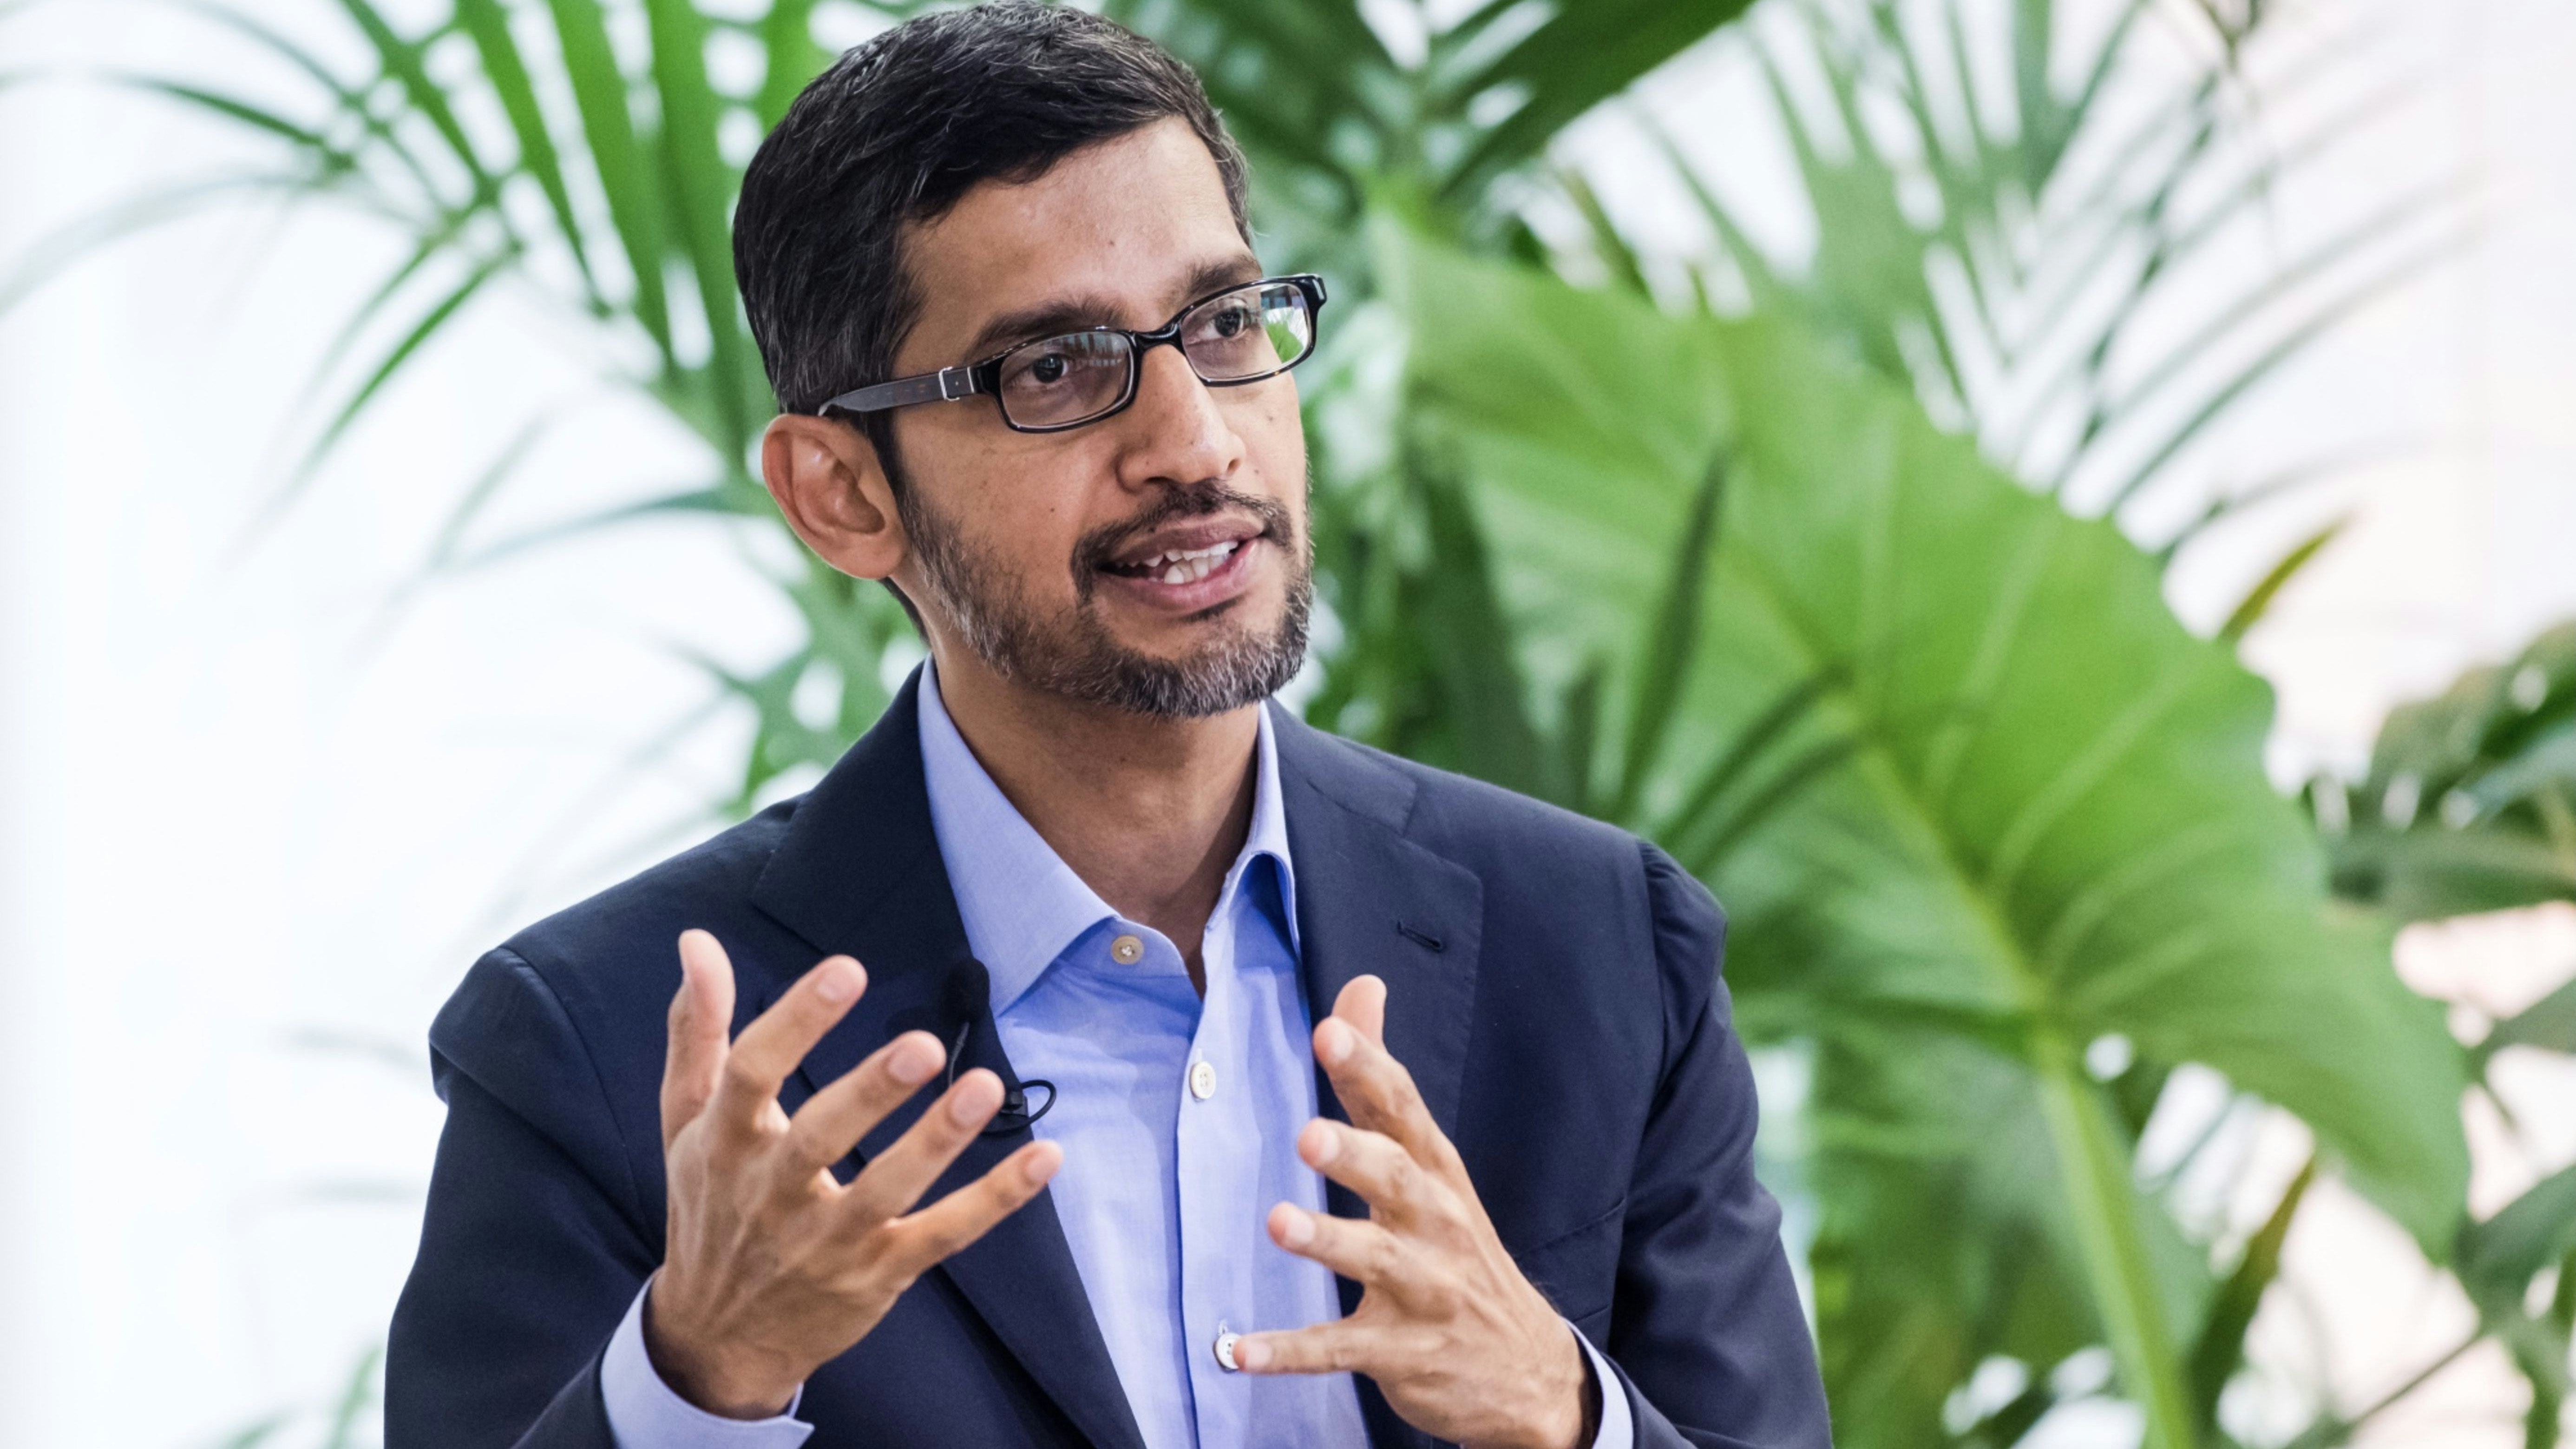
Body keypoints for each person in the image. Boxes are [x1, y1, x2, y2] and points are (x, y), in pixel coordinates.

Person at [385, 5, 1830, 1447]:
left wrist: (1568, 1415)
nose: (1196, 442)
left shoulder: (1593, 949)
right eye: (1054, 371)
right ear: (841, 492)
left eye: (1222, 325)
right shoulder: (593, 1049)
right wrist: (695, 1383)